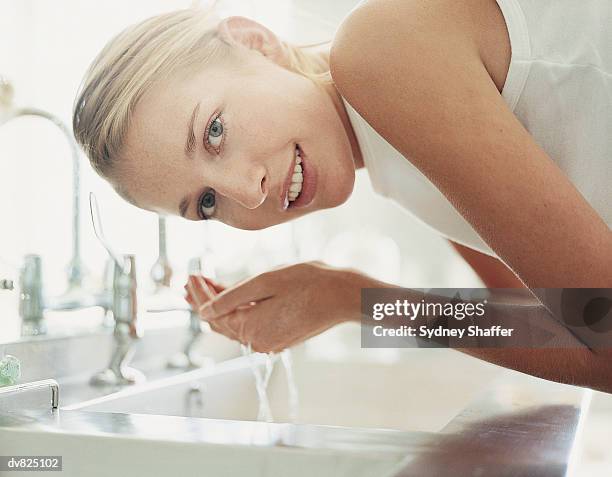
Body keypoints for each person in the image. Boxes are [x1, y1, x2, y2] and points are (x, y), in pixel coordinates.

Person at [72, 0, 612, 392]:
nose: (247, 191)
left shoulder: (381, 53)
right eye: (207, 203)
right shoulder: (402, 159)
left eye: (214, 130)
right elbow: (555, 325)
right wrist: (350, 300)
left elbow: (602, 340)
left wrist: (353, 299)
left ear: (256, 42)